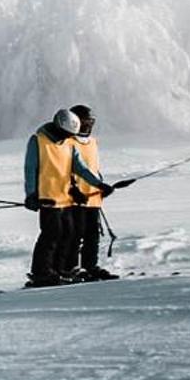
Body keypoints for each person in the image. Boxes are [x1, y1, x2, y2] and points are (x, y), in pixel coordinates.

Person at [22, 106, 112, 287]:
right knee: (51, 235)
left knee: (69, 234)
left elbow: (80, 168)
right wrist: (31, 194)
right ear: (58, 127)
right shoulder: (38, 141)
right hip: (47, 198)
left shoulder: (69, 143)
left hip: (66, 199)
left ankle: (60, 269)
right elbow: (30, 169)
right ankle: (41, 272)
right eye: (66, 134)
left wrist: (99, 184)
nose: (69, 137)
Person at [66, 104, 118, 281]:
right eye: (84, 121)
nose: (88, 125)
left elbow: (93, 168)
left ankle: (90, 266)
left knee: (92, 234)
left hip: (93, 196)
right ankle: (71, 268)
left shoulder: (92, 142)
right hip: (73, 198)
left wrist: (101, 186)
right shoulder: (67, 141)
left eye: (90, 121)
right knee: (75, 234)